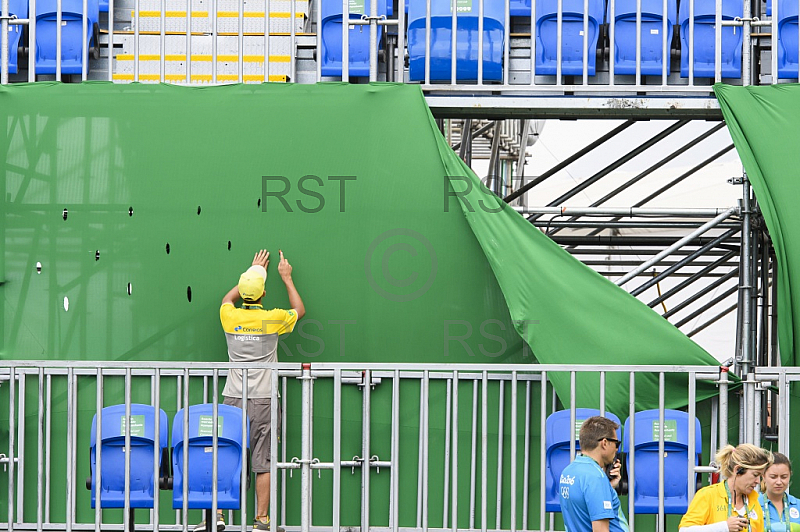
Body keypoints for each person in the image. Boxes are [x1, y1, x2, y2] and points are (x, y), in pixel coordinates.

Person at [196, 249, 305, 532]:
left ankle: (216, 515)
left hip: (233, 397)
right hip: (265, 399)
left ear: (244, 292)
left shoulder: (229, 316)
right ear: (264, 294)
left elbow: (226, 299)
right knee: (263, 460)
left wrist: (251, 271)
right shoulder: (272, 318)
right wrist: (286, 277)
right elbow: (299, 310)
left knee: (226, 455)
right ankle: (261, 520)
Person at [680, 444, 773, 532]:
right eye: (755, 475)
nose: (758, 481)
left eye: (760, 476)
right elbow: (685, 530)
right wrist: (724, 527)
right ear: (737, 470)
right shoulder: (708, 495)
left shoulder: (754, 501)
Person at [559, 416, 629, 532]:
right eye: (616, 443)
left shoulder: (568, 472)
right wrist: (602, 483)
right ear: (605, 443)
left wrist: (608, 487)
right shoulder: (596, 477)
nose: (617, 449)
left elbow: (585, 507)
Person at [759, 453, 800, 532]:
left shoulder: (798, 505)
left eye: (784, 477)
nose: (779, 482)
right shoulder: (753, 505)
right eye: (773, 477)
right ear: (763, 476)